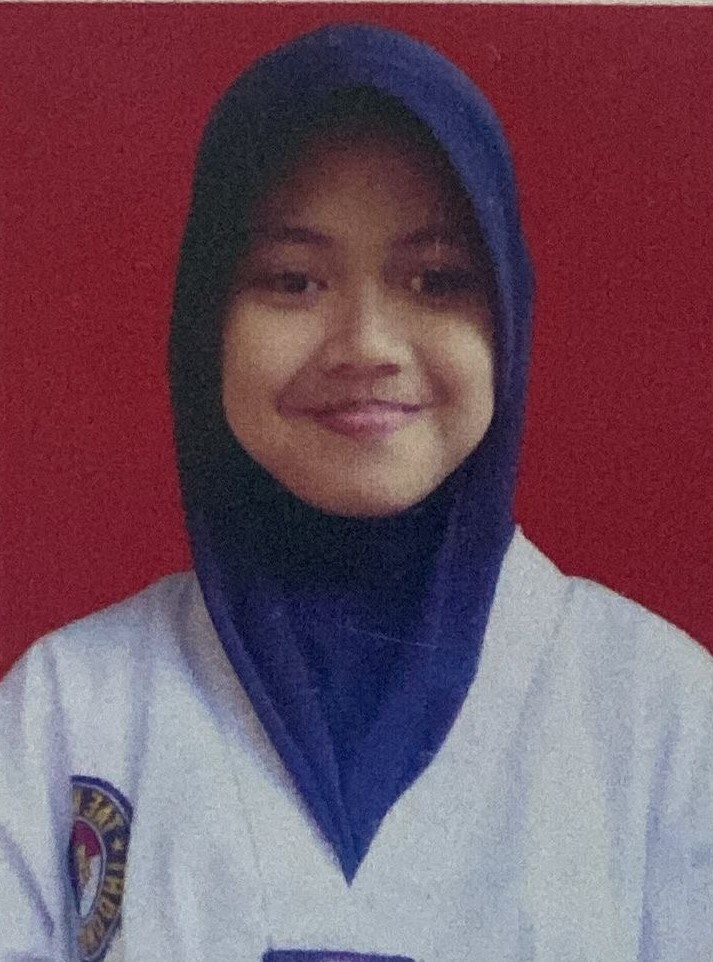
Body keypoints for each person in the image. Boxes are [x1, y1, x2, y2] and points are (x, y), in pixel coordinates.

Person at [1, 22, 711, 962]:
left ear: (507, 314)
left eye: (436, 279)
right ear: (205, 321)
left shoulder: (662, 715)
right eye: (293, 279)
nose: (367, 343)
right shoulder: (66, 710)